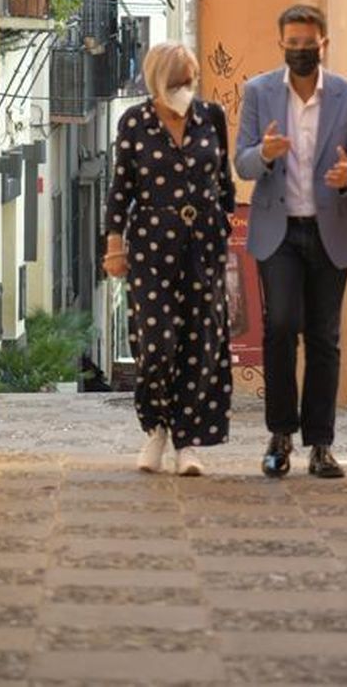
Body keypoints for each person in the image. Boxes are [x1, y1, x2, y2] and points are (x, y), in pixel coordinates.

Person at [235, 4, 347, 479]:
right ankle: (279, 436)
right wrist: (265, 155)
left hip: (330, 230)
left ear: (323, 43)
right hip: (279, 232)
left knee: (324, 337)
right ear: (281, 45)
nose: (300, 51)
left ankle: (321, 444)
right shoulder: (258, 92)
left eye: (307, 44)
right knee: (280, 328)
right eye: (291, 44)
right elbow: (242, 164)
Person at [103, 42, 236, 477]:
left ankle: (189, 441)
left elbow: (224, 181)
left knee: (202, 340)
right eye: (178, 82)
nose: (186, 89)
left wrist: (225, 223)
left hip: (204, 243)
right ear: (158, 80)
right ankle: (155, 427)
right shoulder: (135, 122)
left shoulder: (211, 117)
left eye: (191, 80)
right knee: (157, 341)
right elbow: (121, 189)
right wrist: (114, 246)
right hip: (151, 244)